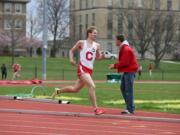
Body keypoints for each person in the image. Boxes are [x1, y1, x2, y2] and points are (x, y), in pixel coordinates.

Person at [51, 26, 105, 115]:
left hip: (89, 71)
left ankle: (57, 91)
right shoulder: (81, 43)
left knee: (75, 89)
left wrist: (102, 57)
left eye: (96, 33)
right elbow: (71, 51)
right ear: (89, 33)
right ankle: (96, 109)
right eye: (94, 33)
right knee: (92, 86)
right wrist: (71, 59)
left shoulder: (97, 45)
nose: (96, 34)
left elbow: (98, 58)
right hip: (82, 69)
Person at [109, 35, 138, 114]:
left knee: (128, 90)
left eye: (115, 40)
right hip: (127, 71)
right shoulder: (124, 48)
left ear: (119, 40)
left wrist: (114, 66)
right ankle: (130, 106)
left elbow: (125, 62)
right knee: (123, 88)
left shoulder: (125, 49)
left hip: (130, 71)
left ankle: (130, 108)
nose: (115, 42)